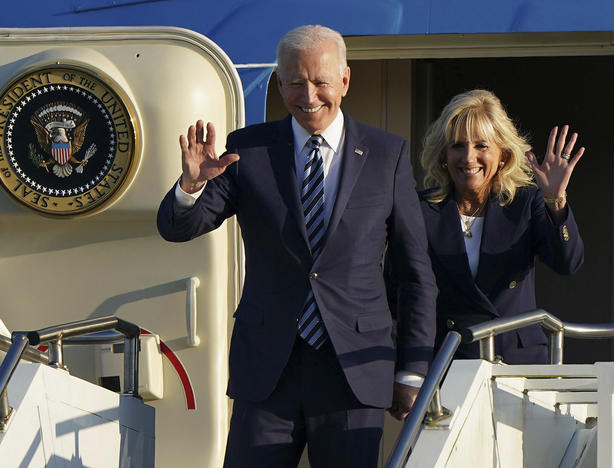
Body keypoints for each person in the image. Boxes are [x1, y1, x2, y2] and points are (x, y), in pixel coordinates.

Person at [157, 25, 436, 467]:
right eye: (294, 82)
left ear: (344, 80)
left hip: (354, 371)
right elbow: (180, 228)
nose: (308, 96)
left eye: (321, 81)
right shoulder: (246, 150)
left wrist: (413, 369)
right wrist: (191, 186)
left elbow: (414, 275)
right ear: (279, 82)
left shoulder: (388, 155)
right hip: (269, 369)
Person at [419, 89, 584, 364]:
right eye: (458, 145)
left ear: (503, 154)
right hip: (450, 363)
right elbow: (400, 297)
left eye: (482, 146)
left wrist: (556, 201)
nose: (469, 158)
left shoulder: (526, 202)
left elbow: (568, 262)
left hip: (517, 362)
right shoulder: (422, 210)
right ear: (443, 154)